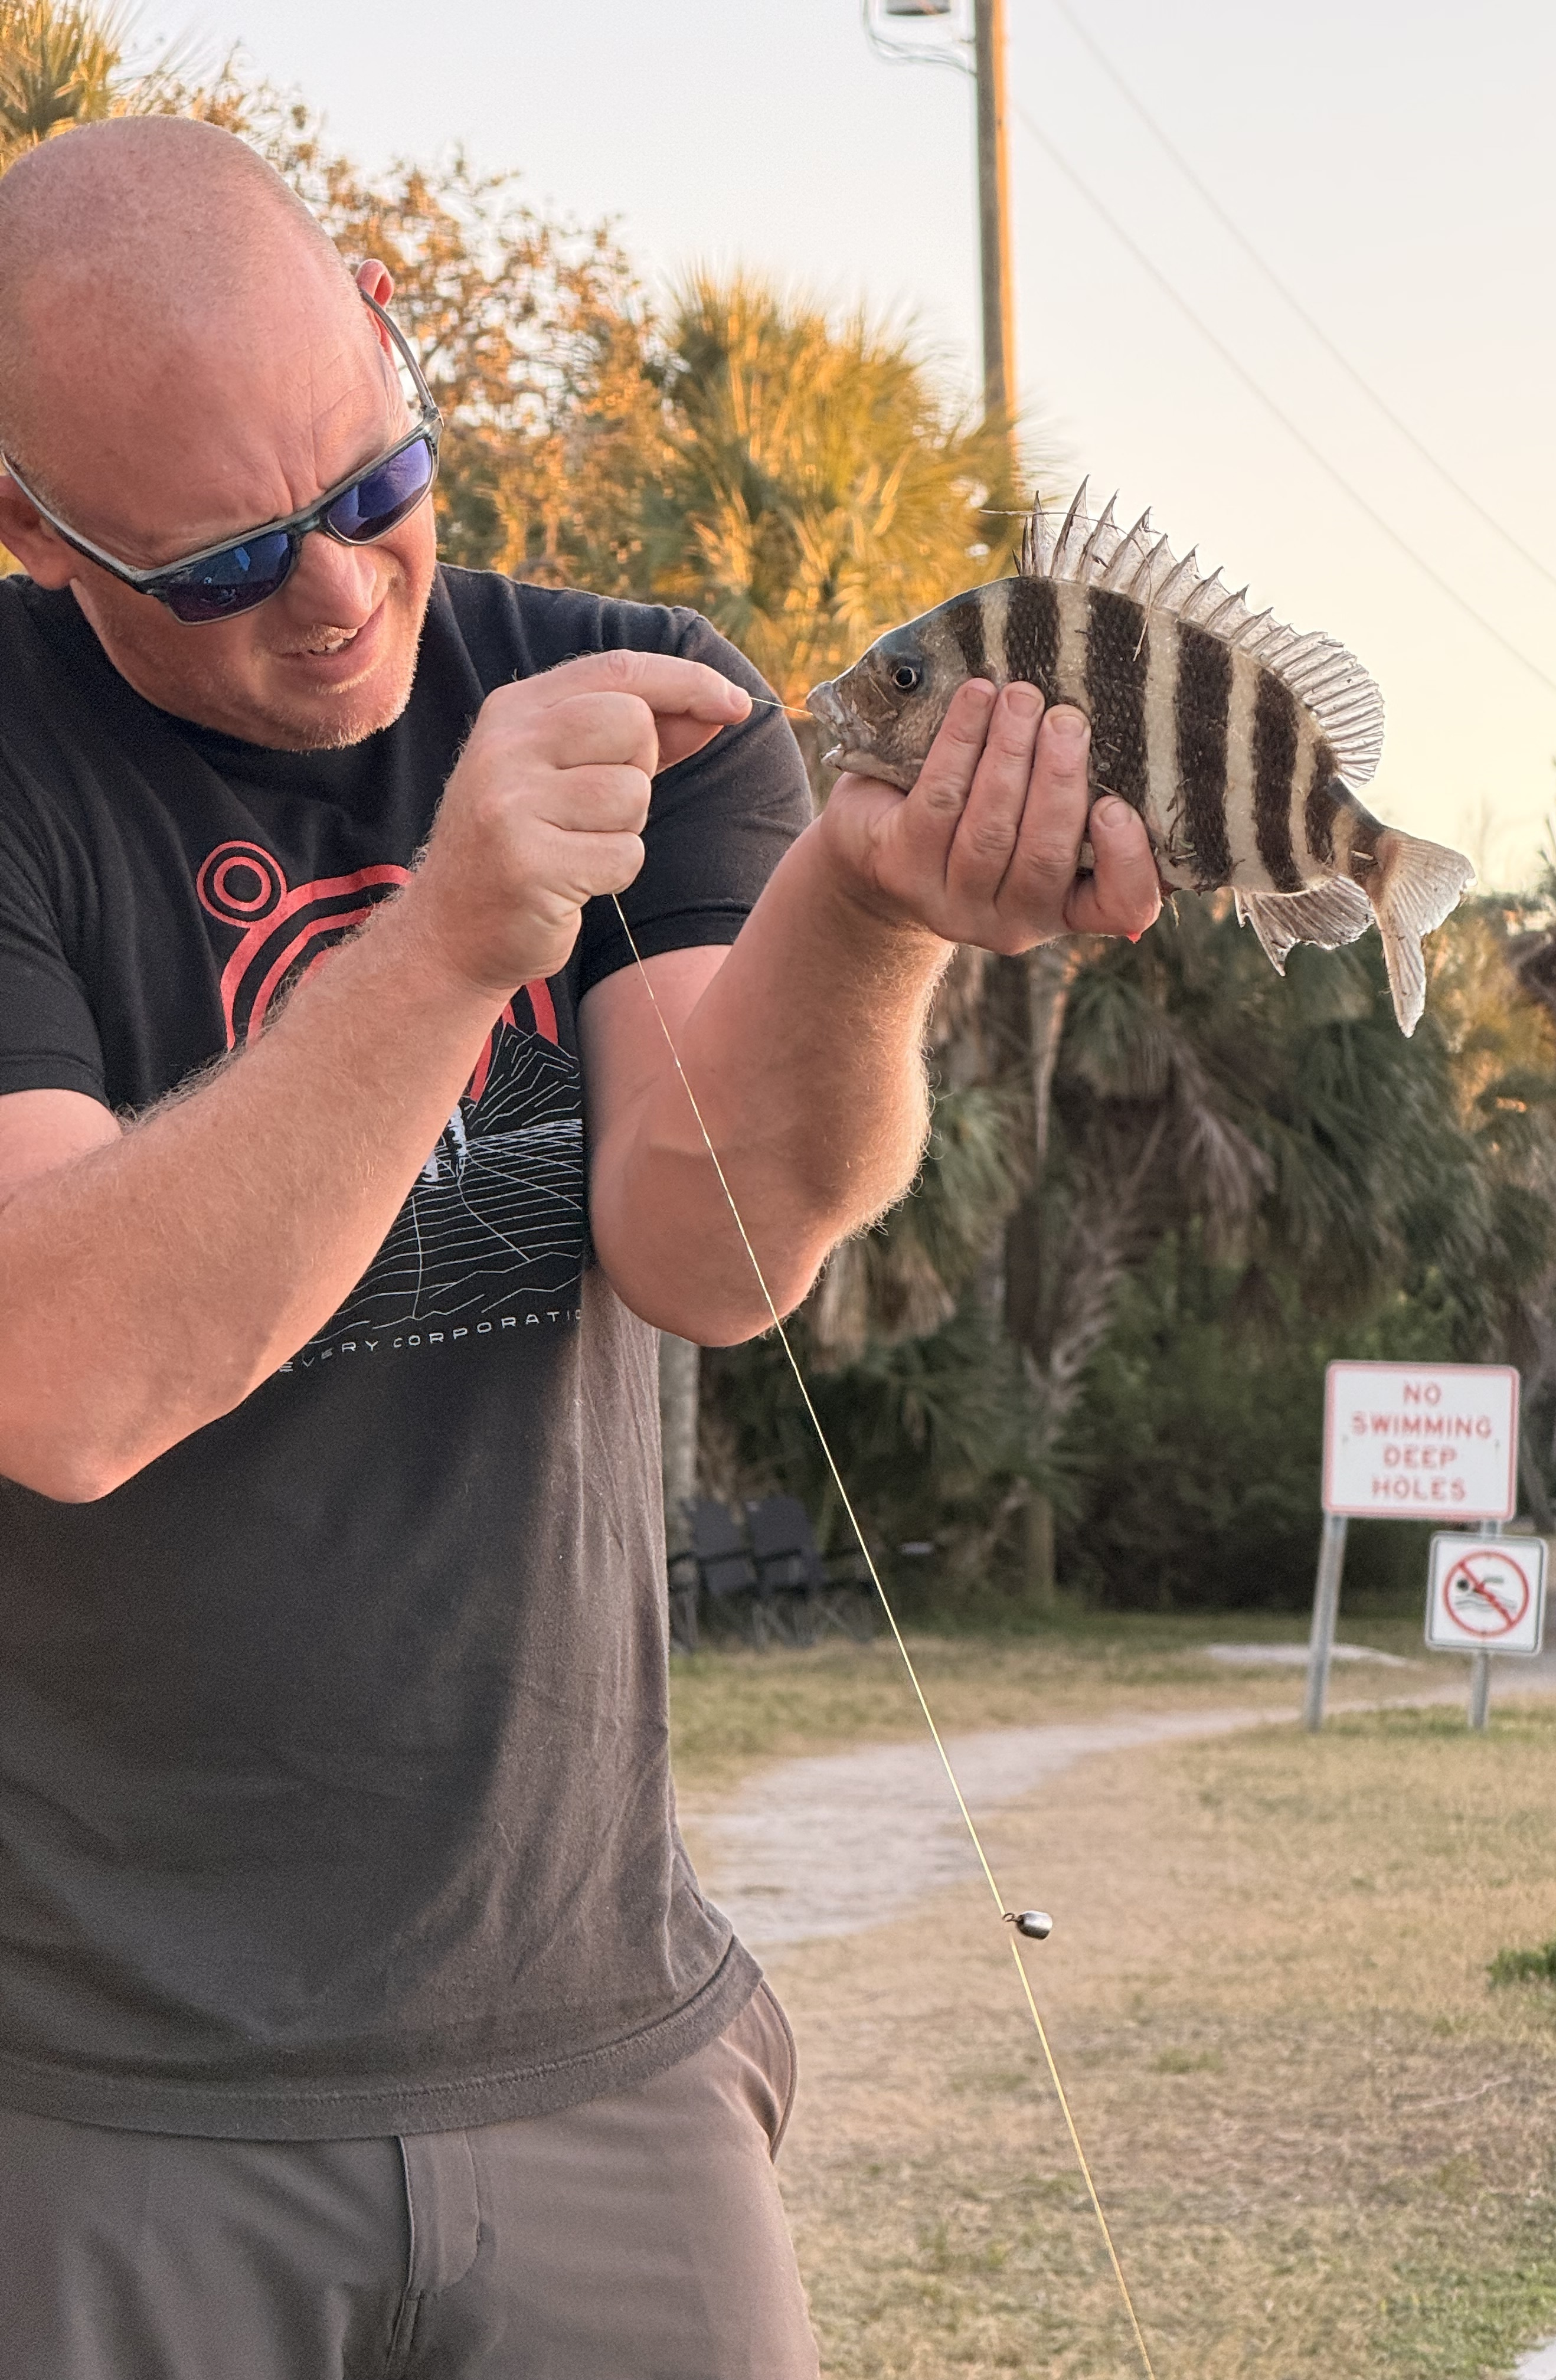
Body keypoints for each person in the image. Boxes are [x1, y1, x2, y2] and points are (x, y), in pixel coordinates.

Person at [0, 116, 1159, 2377]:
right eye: (222, 565)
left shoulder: (642, 692)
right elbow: (63, 1379)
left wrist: (863, 915)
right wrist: (449, 939)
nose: (338, 595)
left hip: (598, 2047)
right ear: (36, 531)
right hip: (99, 2105)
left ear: (390, 334)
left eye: (373, 484)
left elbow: (709, 1253)